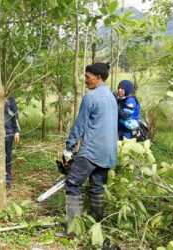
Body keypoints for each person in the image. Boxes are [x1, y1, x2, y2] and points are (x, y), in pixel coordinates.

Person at [63, 62, 118, 235]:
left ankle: (73, 230)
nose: (85, 80)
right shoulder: (111, 96)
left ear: (98, 77)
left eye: (88, 77)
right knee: (97, 188)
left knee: (72, 183)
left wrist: (69, 147)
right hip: (108, 152)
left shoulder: (91, 97)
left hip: (91, 150)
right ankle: (97, 228)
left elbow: (80, 124)